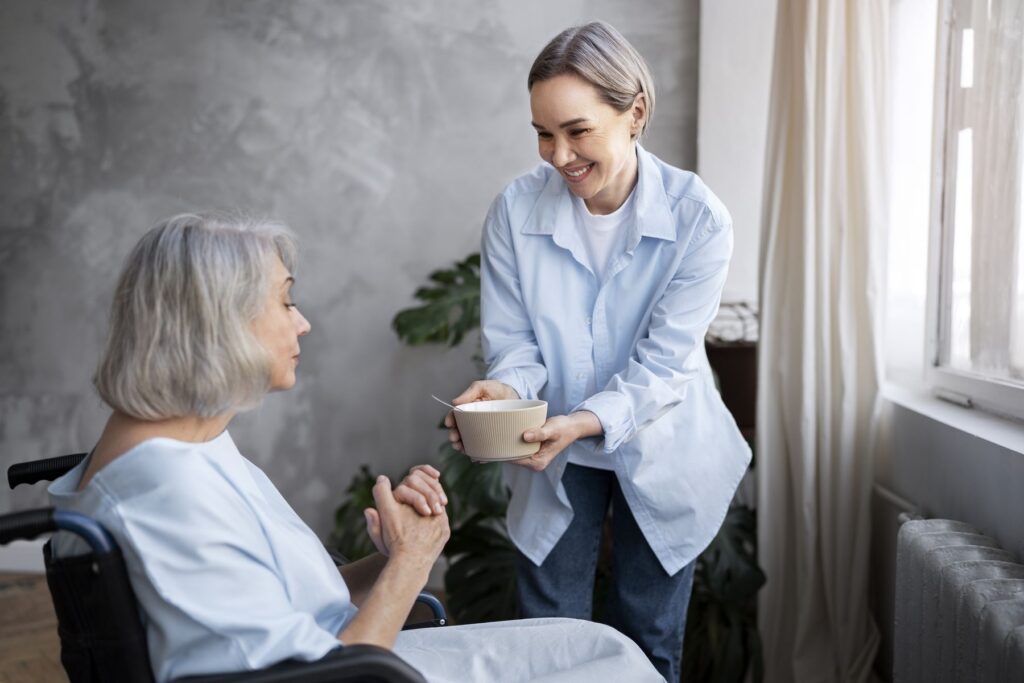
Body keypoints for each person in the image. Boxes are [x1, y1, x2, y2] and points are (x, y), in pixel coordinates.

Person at [48, 212, 662, 683]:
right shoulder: (166, 497)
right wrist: (410, 565)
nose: (303, 322)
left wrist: (396, 552)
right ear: (219, 322)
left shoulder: (188, 447)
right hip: (357, 671)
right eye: (285, 300)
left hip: (351, 655)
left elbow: (278, 607)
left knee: (603, 649)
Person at [444, 22, 752, 682]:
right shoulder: (514, 211)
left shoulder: (699, 219)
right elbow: (516, 344)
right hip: (550, 446)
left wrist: (586, 419)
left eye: (577, 131)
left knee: (647, 639)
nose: (558, 154)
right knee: (546, 635)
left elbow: (663, 366)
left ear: (634, 111)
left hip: (663, 439)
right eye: (543, 132)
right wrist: (503, 392)